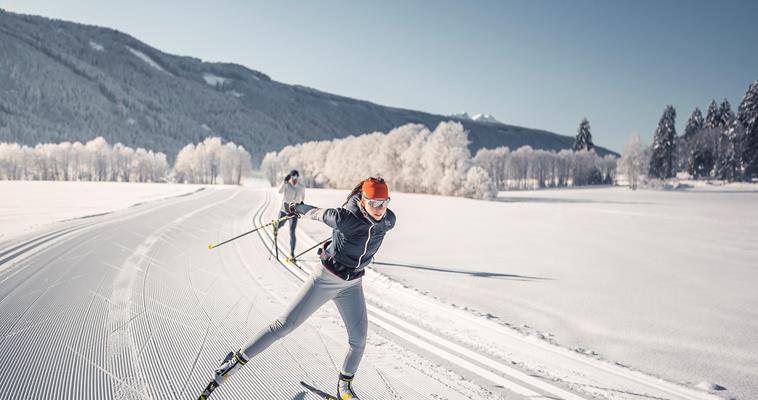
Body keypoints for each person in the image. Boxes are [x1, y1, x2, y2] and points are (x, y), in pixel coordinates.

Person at [199, 177, 395, 400]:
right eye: (374, 203)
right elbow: (317, 213)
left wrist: (335, 243)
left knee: (358, 340)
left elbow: (365, 238)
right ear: (362, 200)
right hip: (326, 279)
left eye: (384, 202)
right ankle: (235, 361)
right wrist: (295, 208)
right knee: (284, 325)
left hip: (352, 285)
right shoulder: (345, 218)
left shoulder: (389, 220)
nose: (380, 209)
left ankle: (344, 386)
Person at [277, 169, 306, 259]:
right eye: (293, 178)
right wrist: (284, 182)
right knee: (279, 225)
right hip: (284, 210)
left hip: (293, 212)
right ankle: (275, 228)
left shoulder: (301, 187)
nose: (294, 180)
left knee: (292, 232)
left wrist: (301, 204)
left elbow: (303, 198)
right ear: (290, 178)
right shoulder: (286, 185)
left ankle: (292, 253)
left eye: (296, 178)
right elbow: (279, 191)